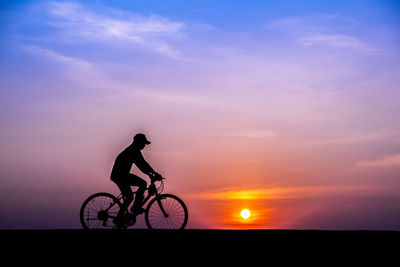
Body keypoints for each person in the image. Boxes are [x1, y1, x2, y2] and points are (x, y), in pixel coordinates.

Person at [110, 133, 161, 223]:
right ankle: (132, 209)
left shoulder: (133, 149)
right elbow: (142, 164)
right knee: (138, 188)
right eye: (143, 143)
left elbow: (142, 165)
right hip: (120, 176)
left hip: (121, 175)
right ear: (139, 142)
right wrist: (154, 173)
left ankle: (124, 214)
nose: (144, 146)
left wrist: (150, 174)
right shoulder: (134, 150)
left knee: (131, 195)